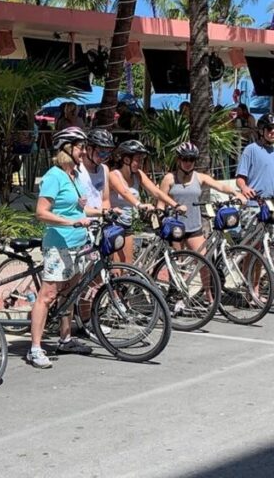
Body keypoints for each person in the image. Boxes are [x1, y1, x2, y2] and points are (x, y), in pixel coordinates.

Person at [30, 127, 95, 368]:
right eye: (80, 147)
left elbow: (79, 209)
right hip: (59, 245)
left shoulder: (74, 175)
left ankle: (65, 339)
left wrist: (105, 212)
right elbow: (41, 212)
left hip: (77, 243)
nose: (84, 152)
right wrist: (71, 222)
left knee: (69, 293)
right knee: (48, 296)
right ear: (66, 148)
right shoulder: (54, 176)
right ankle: (35, 348)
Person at [159, 142, 244, 257]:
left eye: (191, 159)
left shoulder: (199, 177)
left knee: (204, 261)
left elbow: (220, 186)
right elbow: (160, 203)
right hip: (175, 227)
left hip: (194, 227)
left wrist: (236, 193)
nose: (188, 163)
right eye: (185, 159)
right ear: (179, 160)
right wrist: (161, 221)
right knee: (175, 263)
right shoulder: (169, 179)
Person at [109, 139, 183, 266]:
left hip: (127, 224)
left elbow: (156, 192)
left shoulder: (138, 174)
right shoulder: (113, 175)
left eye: (141, 160)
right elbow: (125, 193)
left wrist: (175, 205)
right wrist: (139, 204)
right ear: (126, 160)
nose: (140, 163)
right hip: (114, 225)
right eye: (138, 160)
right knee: (117, 268)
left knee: (128, 266)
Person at [236, 113, 274, 202]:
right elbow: (240, 178)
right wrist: (244, 187)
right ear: (261, 131)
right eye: (269, 128)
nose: (273, 131)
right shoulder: (250, 149)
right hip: (255, 202)